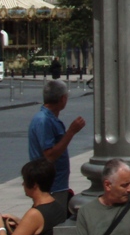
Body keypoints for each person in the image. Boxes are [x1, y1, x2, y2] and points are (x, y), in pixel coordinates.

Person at [28, 80, 87, 208]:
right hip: (51, 186)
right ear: (62, 99)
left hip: (56, 183)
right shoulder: (44, 120)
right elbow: (50, 155)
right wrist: (71, 132)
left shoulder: (48, 119)